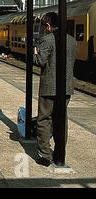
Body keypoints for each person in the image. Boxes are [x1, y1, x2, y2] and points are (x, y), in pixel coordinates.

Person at [33, 12, 77, 167]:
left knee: (44, 120)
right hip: (66, 88)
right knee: (62, 120)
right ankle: (60, 153)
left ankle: (45, 155)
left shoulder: (47, 39)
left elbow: (40, 61)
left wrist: (35, 52)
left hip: (49, 88)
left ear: (48, 25)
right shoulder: (72, 41)